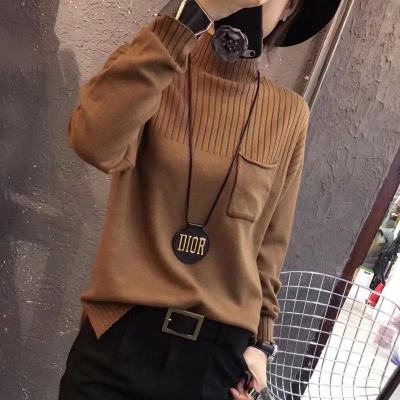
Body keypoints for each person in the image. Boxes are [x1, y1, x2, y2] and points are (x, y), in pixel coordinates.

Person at [58, 0, 340, 399]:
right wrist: (188, 17)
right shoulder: (154, 68)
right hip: (120, 339)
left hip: (215, 360)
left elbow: (268, 247)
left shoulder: (289, 115)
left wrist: (261, 345)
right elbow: (92, 141)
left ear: (290, 8)